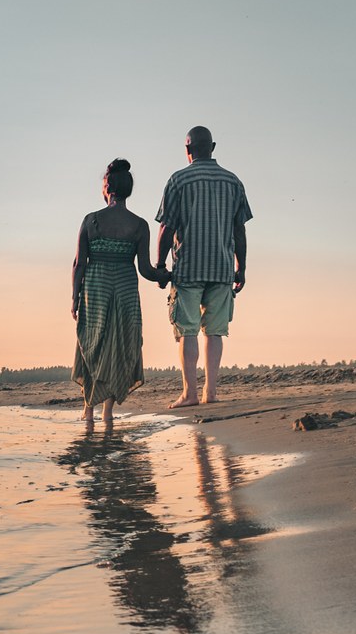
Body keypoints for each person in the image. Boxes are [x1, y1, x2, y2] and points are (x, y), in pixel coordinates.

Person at [154, 125, 250, 407]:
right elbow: (239, 230)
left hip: (188, 268)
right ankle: (211, 393)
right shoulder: (233, 181)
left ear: (187, 149)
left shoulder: (179, 180)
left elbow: (166, 226)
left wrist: (160, 264)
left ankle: (190, 394)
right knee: (216, 331)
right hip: (221, 267)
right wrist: (240, 267)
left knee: (188, 331)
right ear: (213, 147)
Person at [72, 158, 168, 430]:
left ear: (107, 188)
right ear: (128, 190)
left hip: (96, 289)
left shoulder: (91, 220)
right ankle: (108, 413)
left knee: (93, 345)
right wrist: (167, 276)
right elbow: (147, 270)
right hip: (125, 289)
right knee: (119, 346)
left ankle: (88, 411)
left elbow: (79, 263)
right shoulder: (139, 225)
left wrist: (74, 298)